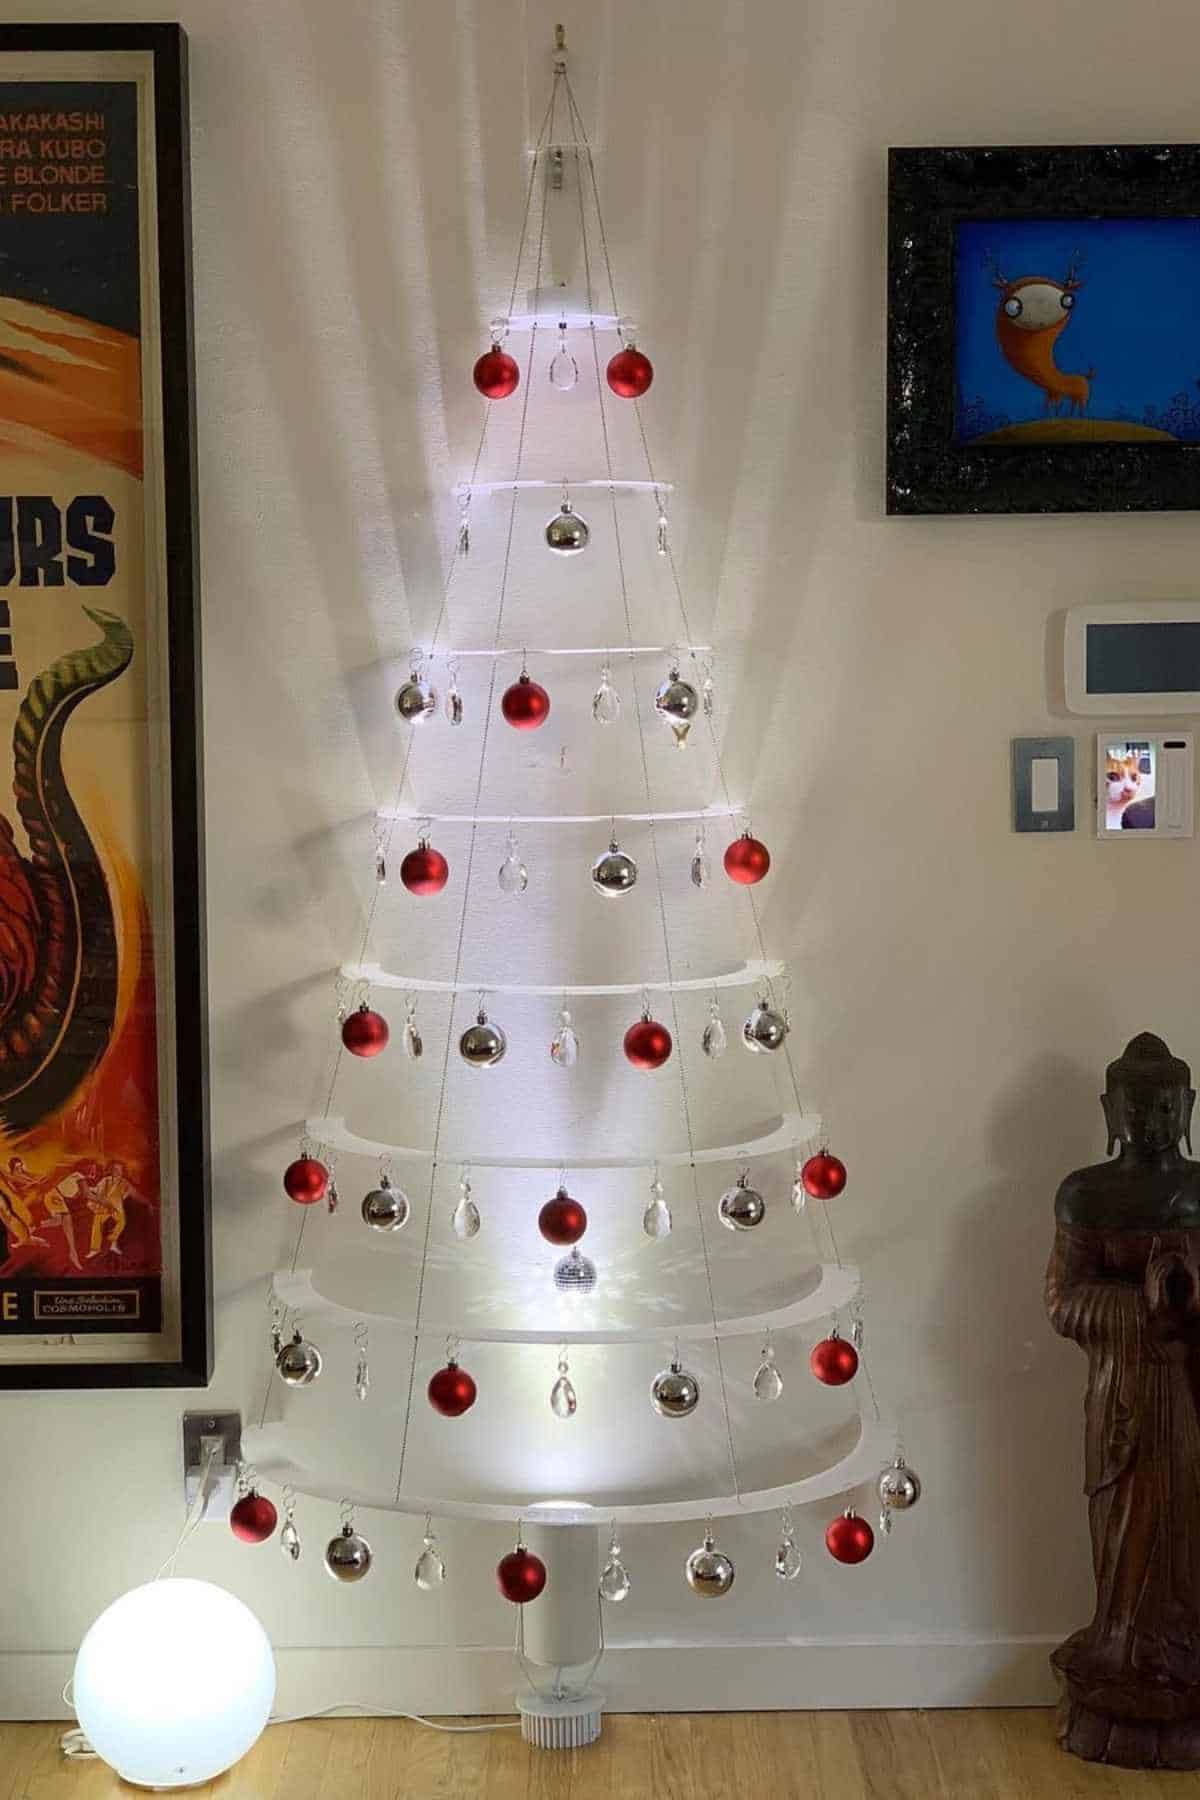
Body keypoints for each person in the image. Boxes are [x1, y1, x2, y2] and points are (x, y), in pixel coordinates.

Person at [1047, 1032, 1200, 1767]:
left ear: (1190, 1106)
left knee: (1187, 1521)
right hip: (1120, 1396)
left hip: (1192, 1391)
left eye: (1167, 1101)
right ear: (1110, 1110)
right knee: (1121, 1521)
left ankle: (1182, 1646)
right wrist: (1143, 1310)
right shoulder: (1086, 1193)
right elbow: (1062, 1301)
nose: (1152, 1115)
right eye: (1136, 1103)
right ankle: (1120, 1644)